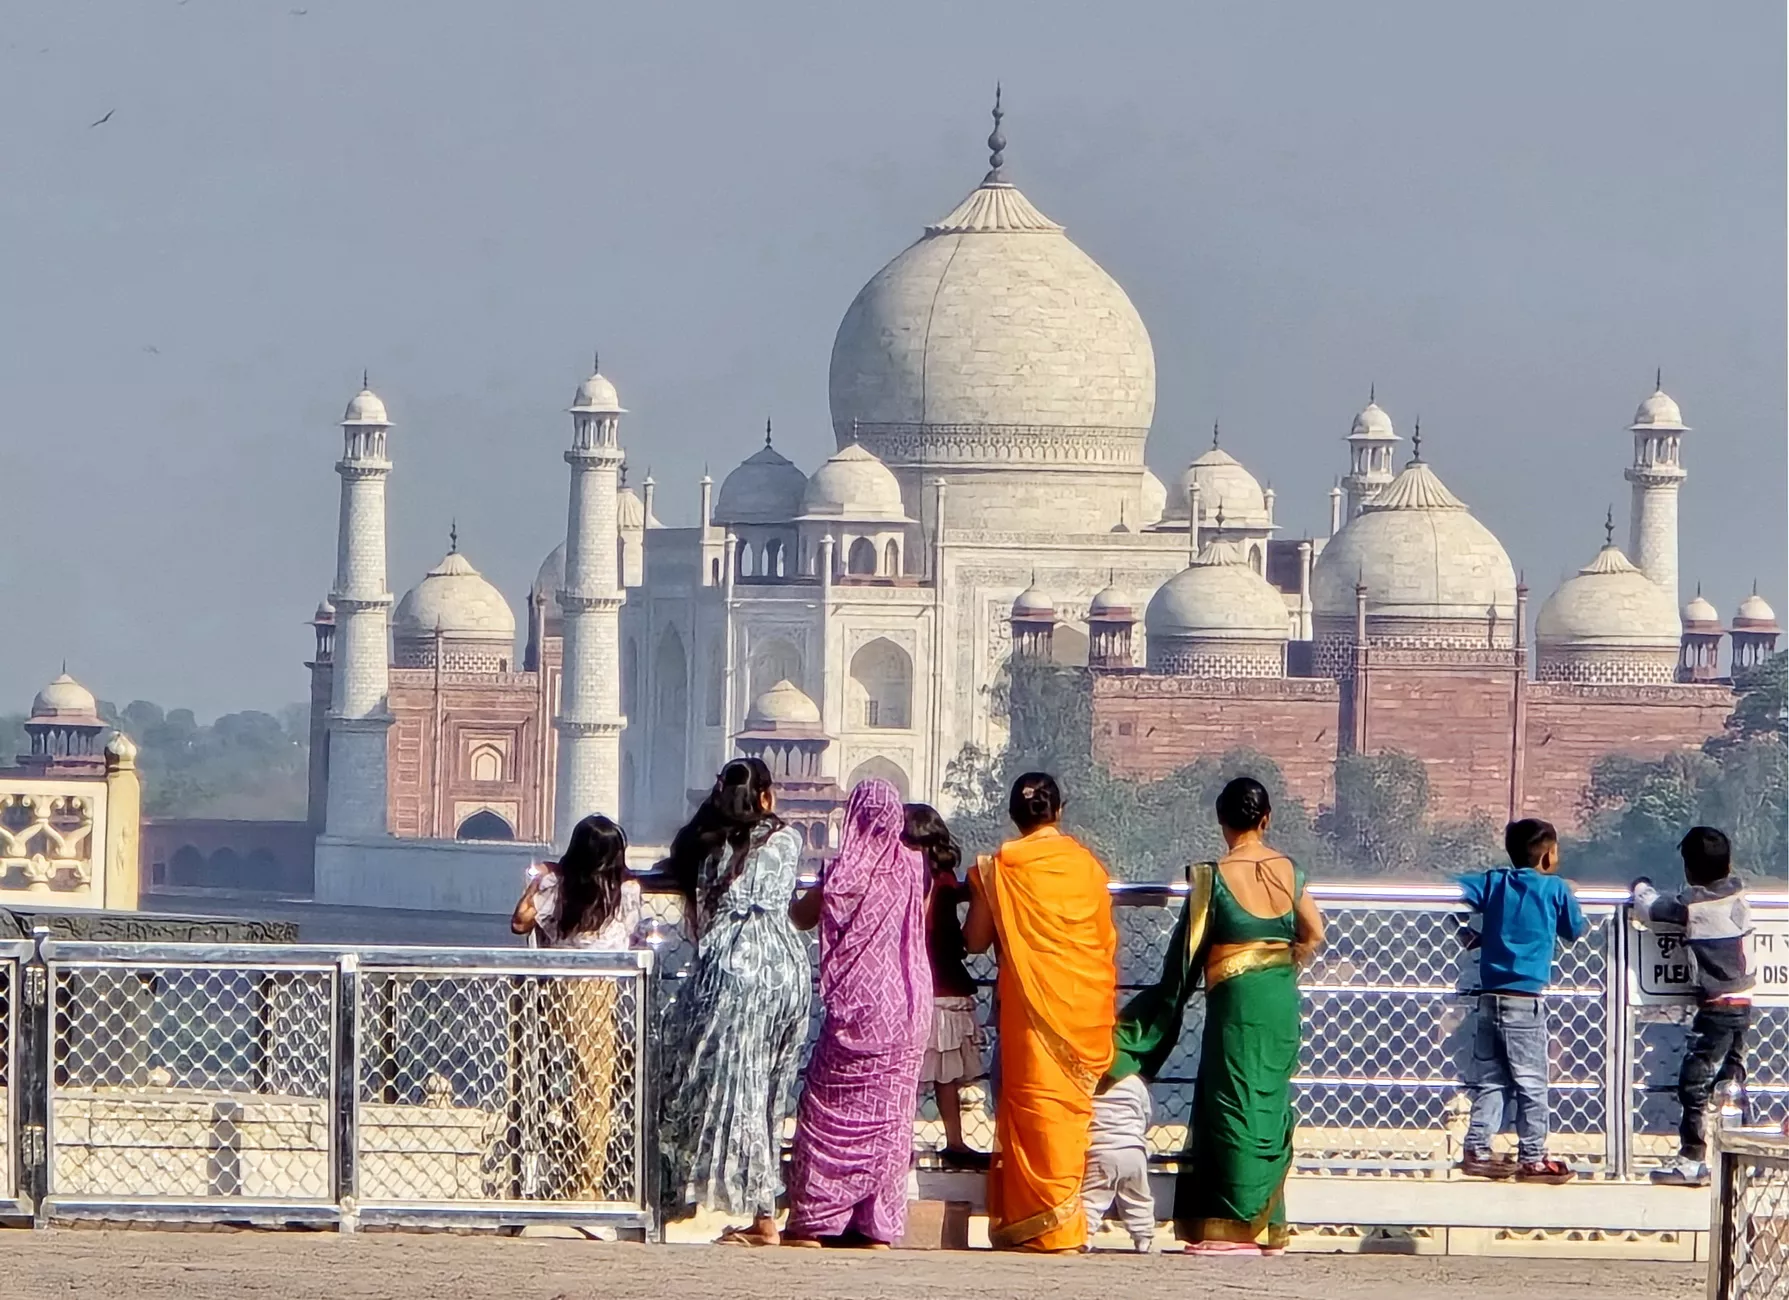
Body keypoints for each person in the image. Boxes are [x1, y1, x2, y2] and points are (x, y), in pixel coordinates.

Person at [1110, 775, 1324, 1256]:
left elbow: (1182, 963)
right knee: (1267, 1103)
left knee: (1233, 1102)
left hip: (1237, 1003)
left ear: (1221, 821)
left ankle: (1235, 1228)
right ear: (1266, 819)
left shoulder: (1214, 878)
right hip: (1280, 999)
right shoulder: (1290, 870)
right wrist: (1282, 963)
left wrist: (1145, 1023)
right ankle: (1269, 1227)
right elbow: (1315, 931)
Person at [657, 758, 811, 1246]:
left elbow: (701, 901)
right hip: (786, 969)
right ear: (766, 796)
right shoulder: (789, 838)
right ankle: (763, 1208)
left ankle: (741, 1208)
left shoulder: (708, 845)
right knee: (769, 1090)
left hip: (734, 970)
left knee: (719, 1087)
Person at [963, 772, 1118, 1253]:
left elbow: (974, 941)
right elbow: (1103, 944)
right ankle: (1062, 1227)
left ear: (1013, 815)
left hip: (1030, 1011)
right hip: (1081, 1010)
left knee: (1034, 1110)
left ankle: (1034, 1224)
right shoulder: (1088, 869)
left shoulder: (999, 869)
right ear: (1059, 811)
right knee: (1064, 1117)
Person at [782, 778, 933, 1249]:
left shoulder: (841, 871)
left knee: (827, 1107)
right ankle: (874, 1225)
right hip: (906, 1006)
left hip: (857, 1008)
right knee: (890, 1117)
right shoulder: (915, 867)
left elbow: (801, 918)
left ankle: (817, 1218)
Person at [508, 813, 642, 1204]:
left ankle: (571, 1174)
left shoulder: (559, 886)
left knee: (565, 1080)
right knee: (595, 1085)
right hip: (600, 989)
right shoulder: (625, 890)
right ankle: (586, 1183)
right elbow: (631, 934)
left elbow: (520, 922)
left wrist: (541, 879)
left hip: (557, 987)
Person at [1456, 817, 1587, 1185]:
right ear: (1547, 856)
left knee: (1492, 1079)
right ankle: (1533, 1157)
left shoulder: (1495, 882)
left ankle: (1477, 1148)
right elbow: (1574, 929)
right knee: (1531, 1083)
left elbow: (1459, 885)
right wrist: (1568, 892)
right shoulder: (1554, 888)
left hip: (1489, 997)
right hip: (1525, 1002)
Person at [1632, 826, 1754, 1188]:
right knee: (1731, 1079)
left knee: (1694, 1083)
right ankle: (1744, 1156)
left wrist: (1640, 886)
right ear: (1729, 864)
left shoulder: (1692, 907)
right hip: (1744, 1001)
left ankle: (1692, 1159)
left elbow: (1651, 908)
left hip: (1716, 1007)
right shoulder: (1739, 897)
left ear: (1688, 869)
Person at [907, 802, 987, 1170]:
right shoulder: (946, 881)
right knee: (947, 1075)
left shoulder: (903, 879)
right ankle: (955, 1140)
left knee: (909, 1075)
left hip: (912, 986)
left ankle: (901, 1139)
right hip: (948, 984)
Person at [1081, 1073, 1156, 1253]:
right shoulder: (1135, 1082)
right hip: (1134, 1150)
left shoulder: (1086, 1080)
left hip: (1100, 1150)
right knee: (1138, 1198)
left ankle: (1084, 1236)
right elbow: (1147, 1114)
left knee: (1092, 1199)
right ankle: (1144, 1237)